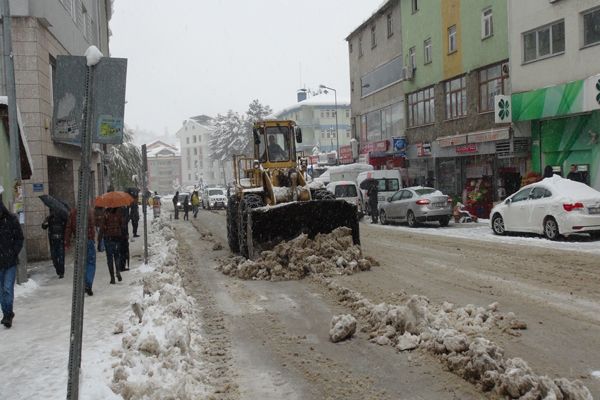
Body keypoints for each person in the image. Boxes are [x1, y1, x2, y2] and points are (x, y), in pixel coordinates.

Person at [0, 185, 24, 328]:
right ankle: (6, 313)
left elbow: (19, 238)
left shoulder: (11, 220)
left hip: (9, 261)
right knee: (1, 291)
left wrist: (14, 252)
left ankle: (8, 315)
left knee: (8, 288)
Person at [64, 206, 97, 296]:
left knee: (81, 264)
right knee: (91, 263)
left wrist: (67, 242)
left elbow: (68, 228)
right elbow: (92, 225)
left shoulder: (73, 213)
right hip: (89, 240)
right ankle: (88, 283)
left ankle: (83, 284)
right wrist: (92, 237)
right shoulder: (88, 211)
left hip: (79, 241)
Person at [97, 208, 124, 284]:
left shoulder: (106, 214)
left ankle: (112, 278)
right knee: (117, 256)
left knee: (109, 258)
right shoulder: (119, 212)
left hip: (108, 238)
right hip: (117, 238)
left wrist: (99, 239)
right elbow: (122, 224)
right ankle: (118, 271)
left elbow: (102, 227)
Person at [41, 209, 67, 278]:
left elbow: (66, 227)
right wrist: (45, 221)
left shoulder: (62, 217)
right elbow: (44, 227)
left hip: (60, 240)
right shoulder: (50, 218)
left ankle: (61, 272)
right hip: (53, 241)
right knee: (54, 257)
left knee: (60, 257)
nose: (54, 212)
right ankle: (59, 271)